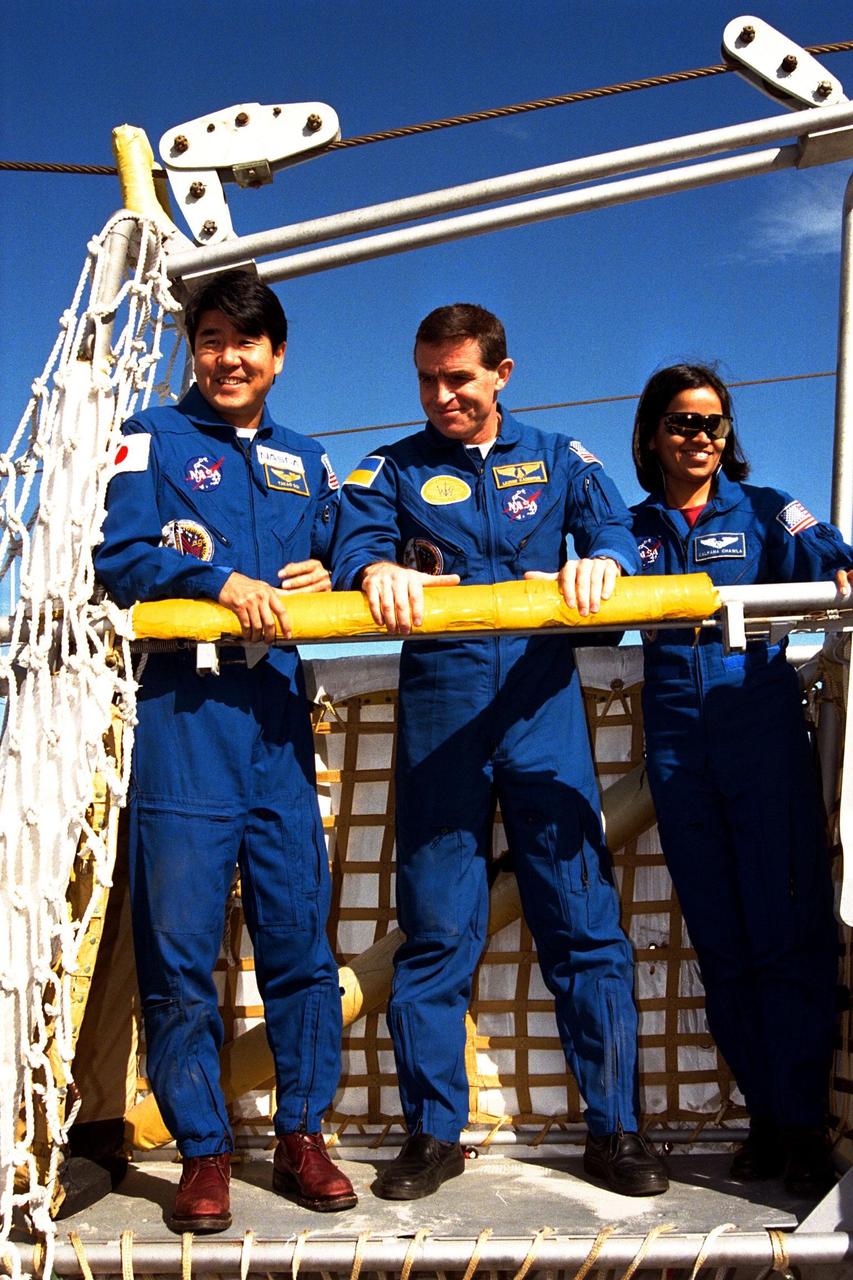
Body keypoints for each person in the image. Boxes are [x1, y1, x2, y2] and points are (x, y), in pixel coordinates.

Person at [331, 303, 668, 1199]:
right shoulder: (392, 466)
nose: (441, 395)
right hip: (440, 710)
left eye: (459, 378)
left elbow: (615, 534)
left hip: (539, 702)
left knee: (584, 924)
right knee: (438, 931)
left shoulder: (560, 458)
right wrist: (373, 571)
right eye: (426, 380)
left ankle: (616, 1130)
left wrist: (605, 565)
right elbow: (351, 540)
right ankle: (432, 1136)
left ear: (501, 375)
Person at [94, 271, 356, 1232]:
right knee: (179, 955)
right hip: (187, 723)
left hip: (281, 726)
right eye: (210, 339)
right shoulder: (150, 437)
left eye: (247, 343)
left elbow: (355, 541)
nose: (229, 358)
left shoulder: (310, 458)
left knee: (297, 943)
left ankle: (301, 1134)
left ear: (277, 356)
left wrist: (333, 570)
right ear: (192, 351)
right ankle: (203, 1151)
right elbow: (117, 557)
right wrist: (218, 579)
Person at [630, 362, 853, 1196]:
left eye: (713, 424)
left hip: (758, 735)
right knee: (721, 943)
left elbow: (834, 556)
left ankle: (800, 1124)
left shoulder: (764, 510)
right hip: (678, 750)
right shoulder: (630, 530)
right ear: (652, 433)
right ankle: (765, 1117)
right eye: (683, 423)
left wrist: (843, 568)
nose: (698, 438)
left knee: (786, 933)